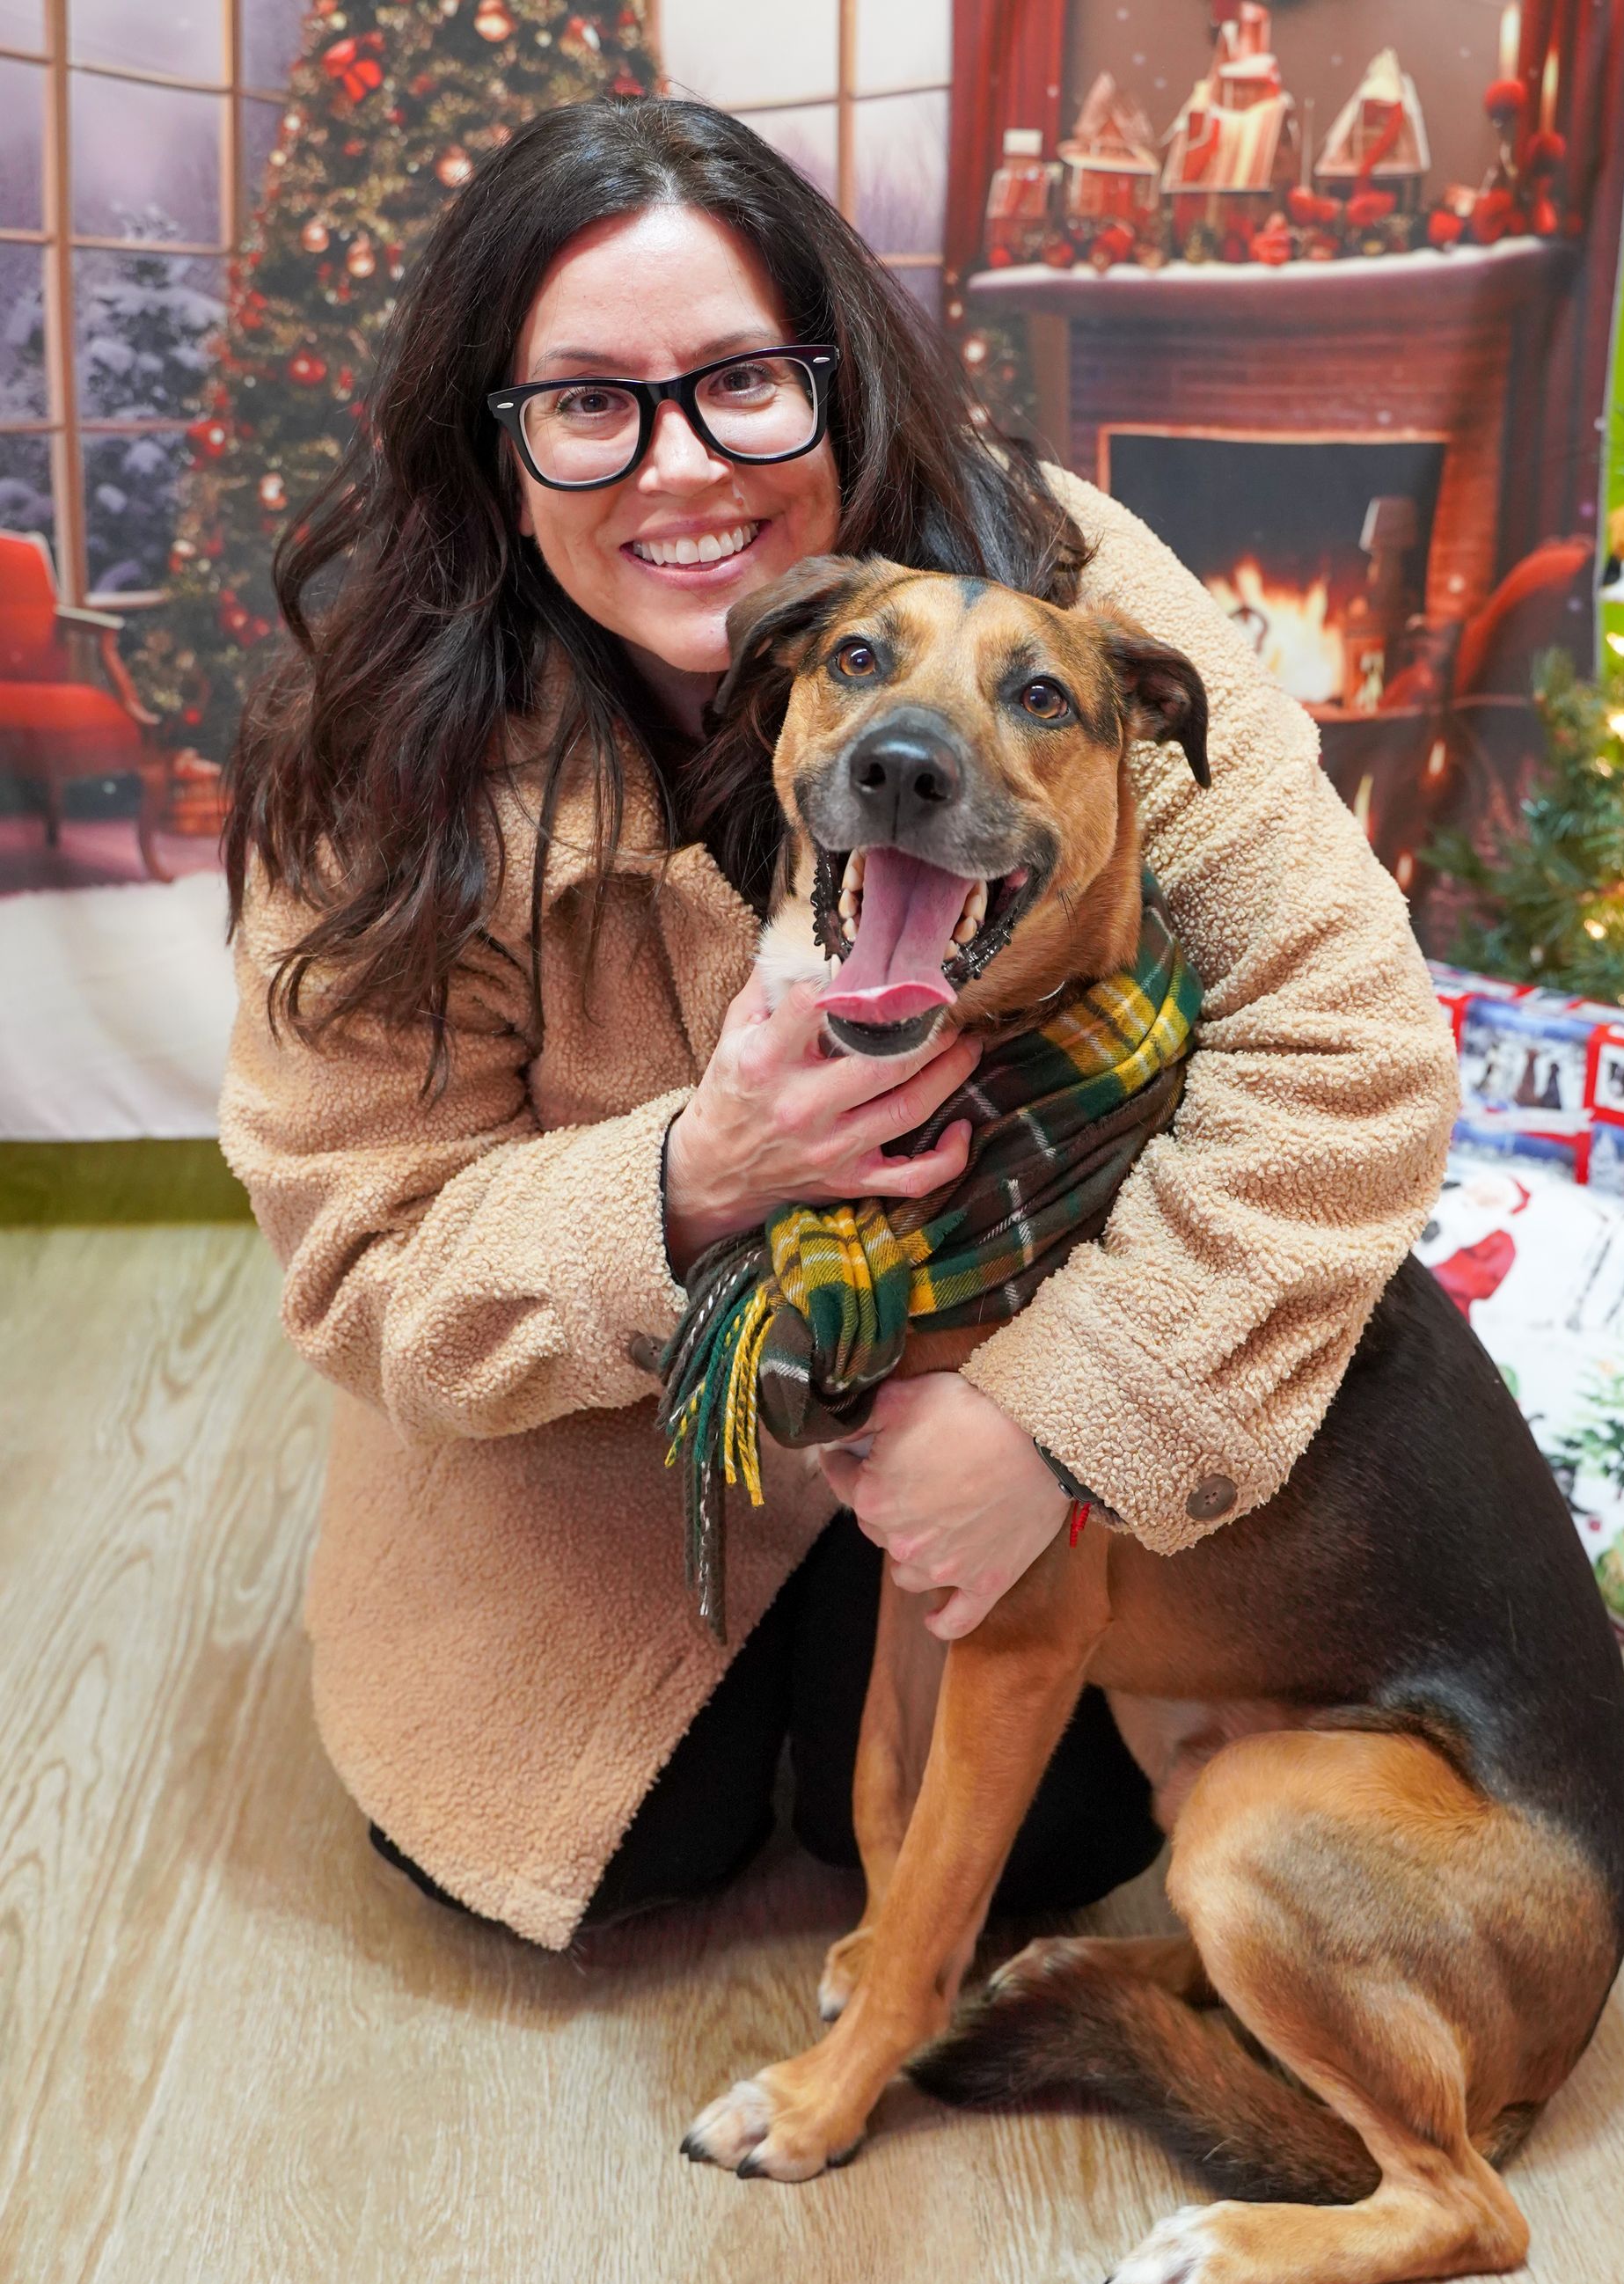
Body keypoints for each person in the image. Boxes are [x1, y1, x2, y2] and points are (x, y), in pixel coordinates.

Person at [219, 97, 1457, 1947]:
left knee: (1036, 1859)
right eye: (589, 402)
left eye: (740, 382)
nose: (683, 470)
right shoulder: (381, 759)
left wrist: (1064, 1425)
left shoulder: (1063, 588)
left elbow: (1350, 1041)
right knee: (632, 1847)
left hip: (1018, 1310)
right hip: (619, 1435)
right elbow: (361, 1251)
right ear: (496, 441)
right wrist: (696, 1178)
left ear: (837, 374)